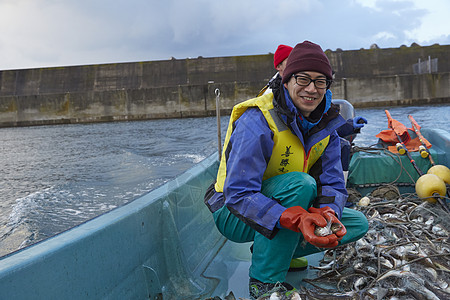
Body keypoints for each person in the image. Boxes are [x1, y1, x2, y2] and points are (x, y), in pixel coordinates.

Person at [204, 41, 369, 299]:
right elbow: (238, 193)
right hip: (234, 212)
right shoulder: (257, 120)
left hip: (278, 207)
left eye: (321, 82)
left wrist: (328, 212)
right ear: (286, 80)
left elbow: (334, 184)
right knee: (302, 185)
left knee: (356, 224)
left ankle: (269, 249)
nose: (312, 89)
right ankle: (264, 284)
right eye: (303, 79)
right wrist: (296, 219)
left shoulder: (327, 124)